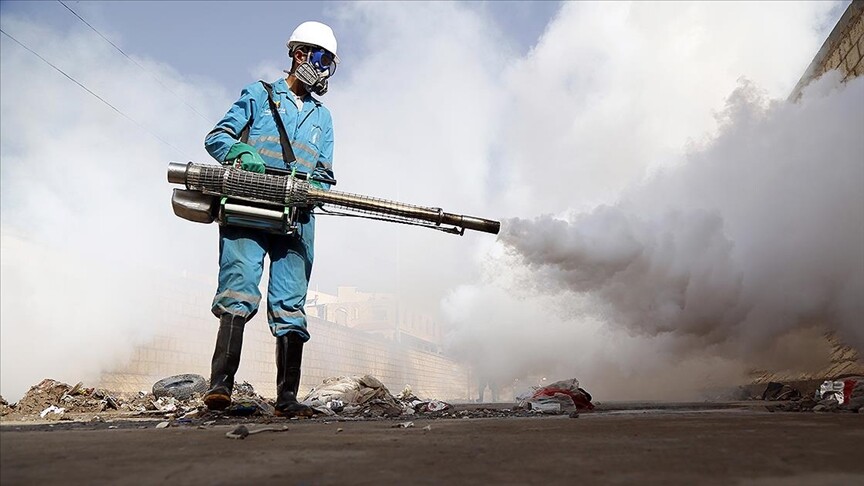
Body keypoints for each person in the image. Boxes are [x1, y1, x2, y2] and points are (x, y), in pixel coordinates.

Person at [201, 21, 339, 417]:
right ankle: (220, 388)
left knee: (291, 304)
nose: (324, 69)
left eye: (329, 62)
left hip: (296, 216)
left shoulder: (322, 118)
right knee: (237, 290)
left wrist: (314, 189)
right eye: (321, 59)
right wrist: (240, 153)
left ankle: (287, 399)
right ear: (299, 55)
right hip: (248, 209)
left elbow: (326, 176)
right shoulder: (259, 96)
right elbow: (217, 137)